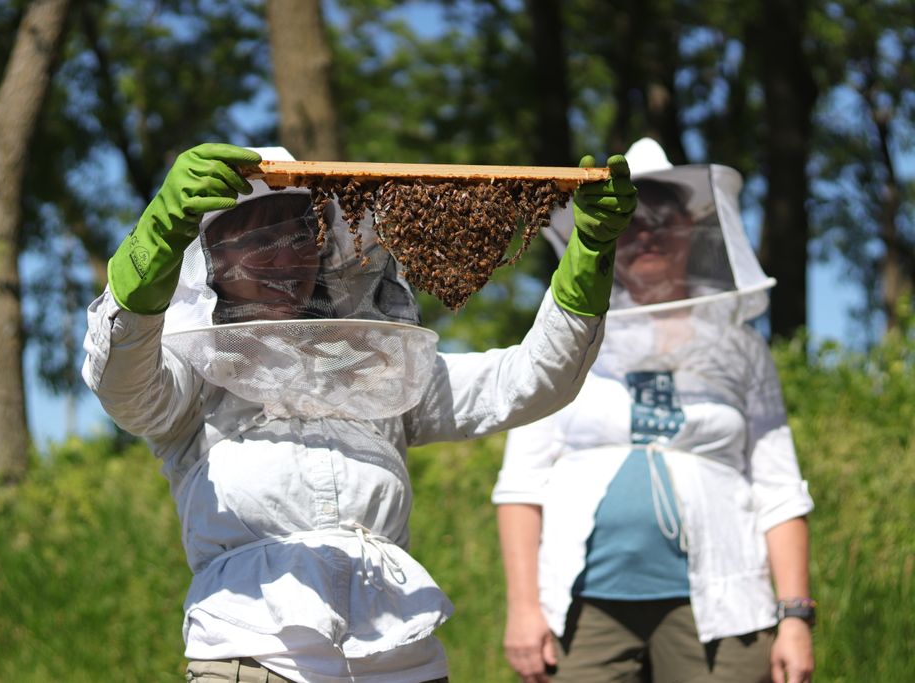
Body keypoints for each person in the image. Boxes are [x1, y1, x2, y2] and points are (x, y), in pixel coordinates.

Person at [81, 142, 637, 682]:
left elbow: (527, 382)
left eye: (301, 233)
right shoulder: (190, 375)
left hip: (402, 656)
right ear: (209, 261)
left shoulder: (380, 366)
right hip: (252, 652)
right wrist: (156, 238)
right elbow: (121, 380)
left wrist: (587, 257)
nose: (287, 257)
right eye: (258, 240)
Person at [493, 138, 816, 683]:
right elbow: (521, 486)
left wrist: (796, 617)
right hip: (581, 606)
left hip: (725, 604)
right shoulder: (568, 339)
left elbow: (778, 485)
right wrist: (524, 609)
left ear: (692, 228)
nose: (646, 234)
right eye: (632, 220)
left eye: (662, 218)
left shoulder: (740, 347)